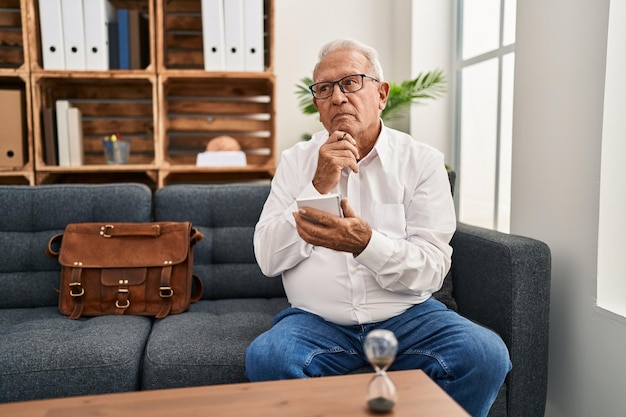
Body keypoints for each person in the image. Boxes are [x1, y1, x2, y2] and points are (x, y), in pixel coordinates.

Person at [245, 39, 511, 417]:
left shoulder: (422, 162)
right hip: (317, 320)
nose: (337, 98)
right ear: (317, 106)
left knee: (484, 355)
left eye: (350, 82)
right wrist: (318, 184)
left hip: (410, 317)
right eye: (323, 89)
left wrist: (366, 243)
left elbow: (432, 268)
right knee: (269, 357)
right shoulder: (296, 162)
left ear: (381, 94)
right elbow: (268, 259)